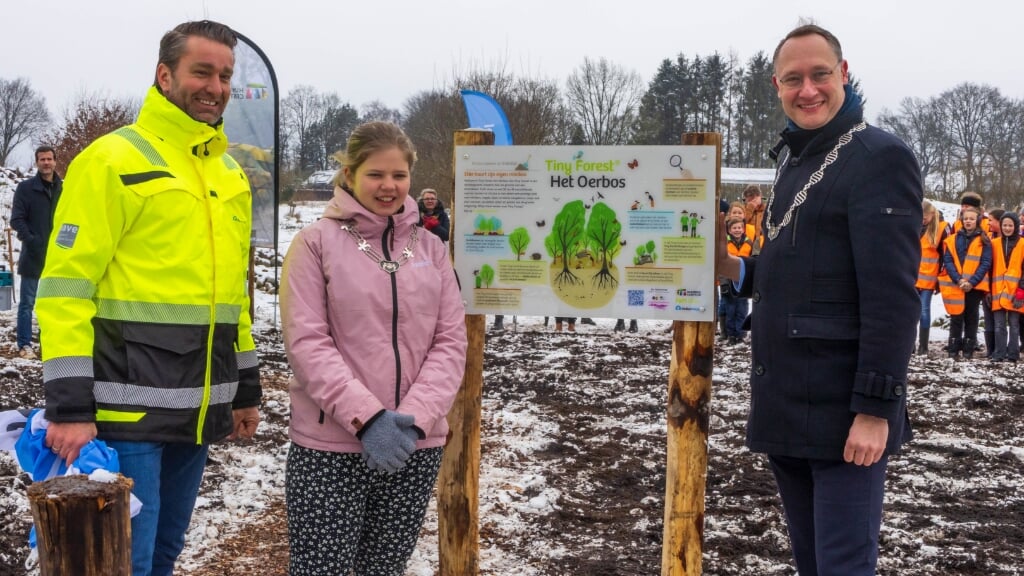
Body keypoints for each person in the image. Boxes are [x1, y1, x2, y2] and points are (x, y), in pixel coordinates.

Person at [36, 20, 262, 576]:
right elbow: (65, 288)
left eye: (225, 75)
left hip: (200, 407)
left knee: (163, 552)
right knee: (123, 561)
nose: (215, 86)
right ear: (165, 76)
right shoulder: (112, 160)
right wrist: (69, 407)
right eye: (201, 71)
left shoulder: (229, 173)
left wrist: (245, 389)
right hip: (123, 408)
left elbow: (234, 299)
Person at [716, 24, 922, 576]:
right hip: (788, 410)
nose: (807, 90)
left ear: (844, 74)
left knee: (843, 568)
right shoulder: (793, 162)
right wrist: (731, 268)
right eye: (793, 79)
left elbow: (892, 298)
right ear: (776, 85)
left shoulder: (879, 156)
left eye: (819, 75)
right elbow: (792, 272)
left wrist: (876, 410)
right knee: (813, 566)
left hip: (844, 421)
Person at [281, 121, 467, 575]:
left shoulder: (433, 249)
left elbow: (449, 342)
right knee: (320, 569)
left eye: (399, 175)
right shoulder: (314, 245)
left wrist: (414, 422)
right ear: (349, 174)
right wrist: (368, 420)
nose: (388, 186)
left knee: (383, 568)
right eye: (375, 174)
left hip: (413, 446)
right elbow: (307, 343)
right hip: (331, 445)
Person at [10, 146, 62, 360]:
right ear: (37, 162)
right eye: (42, 159)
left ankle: (46, 343)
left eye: (49, 159)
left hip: (57, 257)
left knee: (52, 303)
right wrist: (32, 241)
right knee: (27, 303)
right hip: (33, 255)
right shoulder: (26, 189)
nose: (46, 163)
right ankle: (24, 345)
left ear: (55, 161)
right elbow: (16, 220)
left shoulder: (63, 189)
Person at [939, 206, 992, 360]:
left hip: (974, 287)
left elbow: (985, 263)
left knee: (971, 317)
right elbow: (948, 261)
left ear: (977, 221)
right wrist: (959, 279)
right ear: (962, 220)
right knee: (956, 317)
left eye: (971, 219)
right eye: (966, 218)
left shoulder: (984, 240)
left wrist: (972, 282)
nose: (968, 221)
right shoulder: (952, 239)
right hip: (957, 284)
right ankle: (953, 348)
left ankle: (968, 349)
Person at [988, 211, 1024, 362]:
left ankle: (1013, 354)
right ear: (1000, 226)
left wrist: (1021, 293)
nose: (1007, 228)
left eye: (1010, 225)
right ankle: (999, 353)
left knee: (1014, 325)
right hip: (997, 291)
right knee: (999, 325)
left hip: (1016, 292)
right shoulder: (994, 243)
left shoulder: (1023, 244)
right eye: (1004, 225)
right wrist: (988, 291)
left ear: (1016, 226)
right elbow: (989, 269)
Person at [916, 200, 947, 355]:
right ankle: (912, 344)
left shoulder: (940, 229)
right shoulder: (915, 227)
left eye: (924, 217)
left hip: (928, 278)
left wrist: (939, 280)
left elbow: (944, 256)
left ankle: (923, 346)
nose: (923, 220)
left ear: (931, 214)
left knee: (924, 311)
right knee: (912, 311)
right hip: (913, 277)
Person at [720, 217, 753, 344]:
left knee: (742, 309)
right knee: (730, 310)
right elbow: (722, 264)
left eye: (739, 228)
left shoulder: (748, 242)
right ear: (729, 230)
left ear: (743, 229)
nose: (737, 230)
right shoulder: (725, 244)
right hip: (729, 280)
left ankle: (741, 333)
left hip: (743, 279)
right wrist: (723, 283)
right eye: (734, 228)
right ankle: (731, 334)